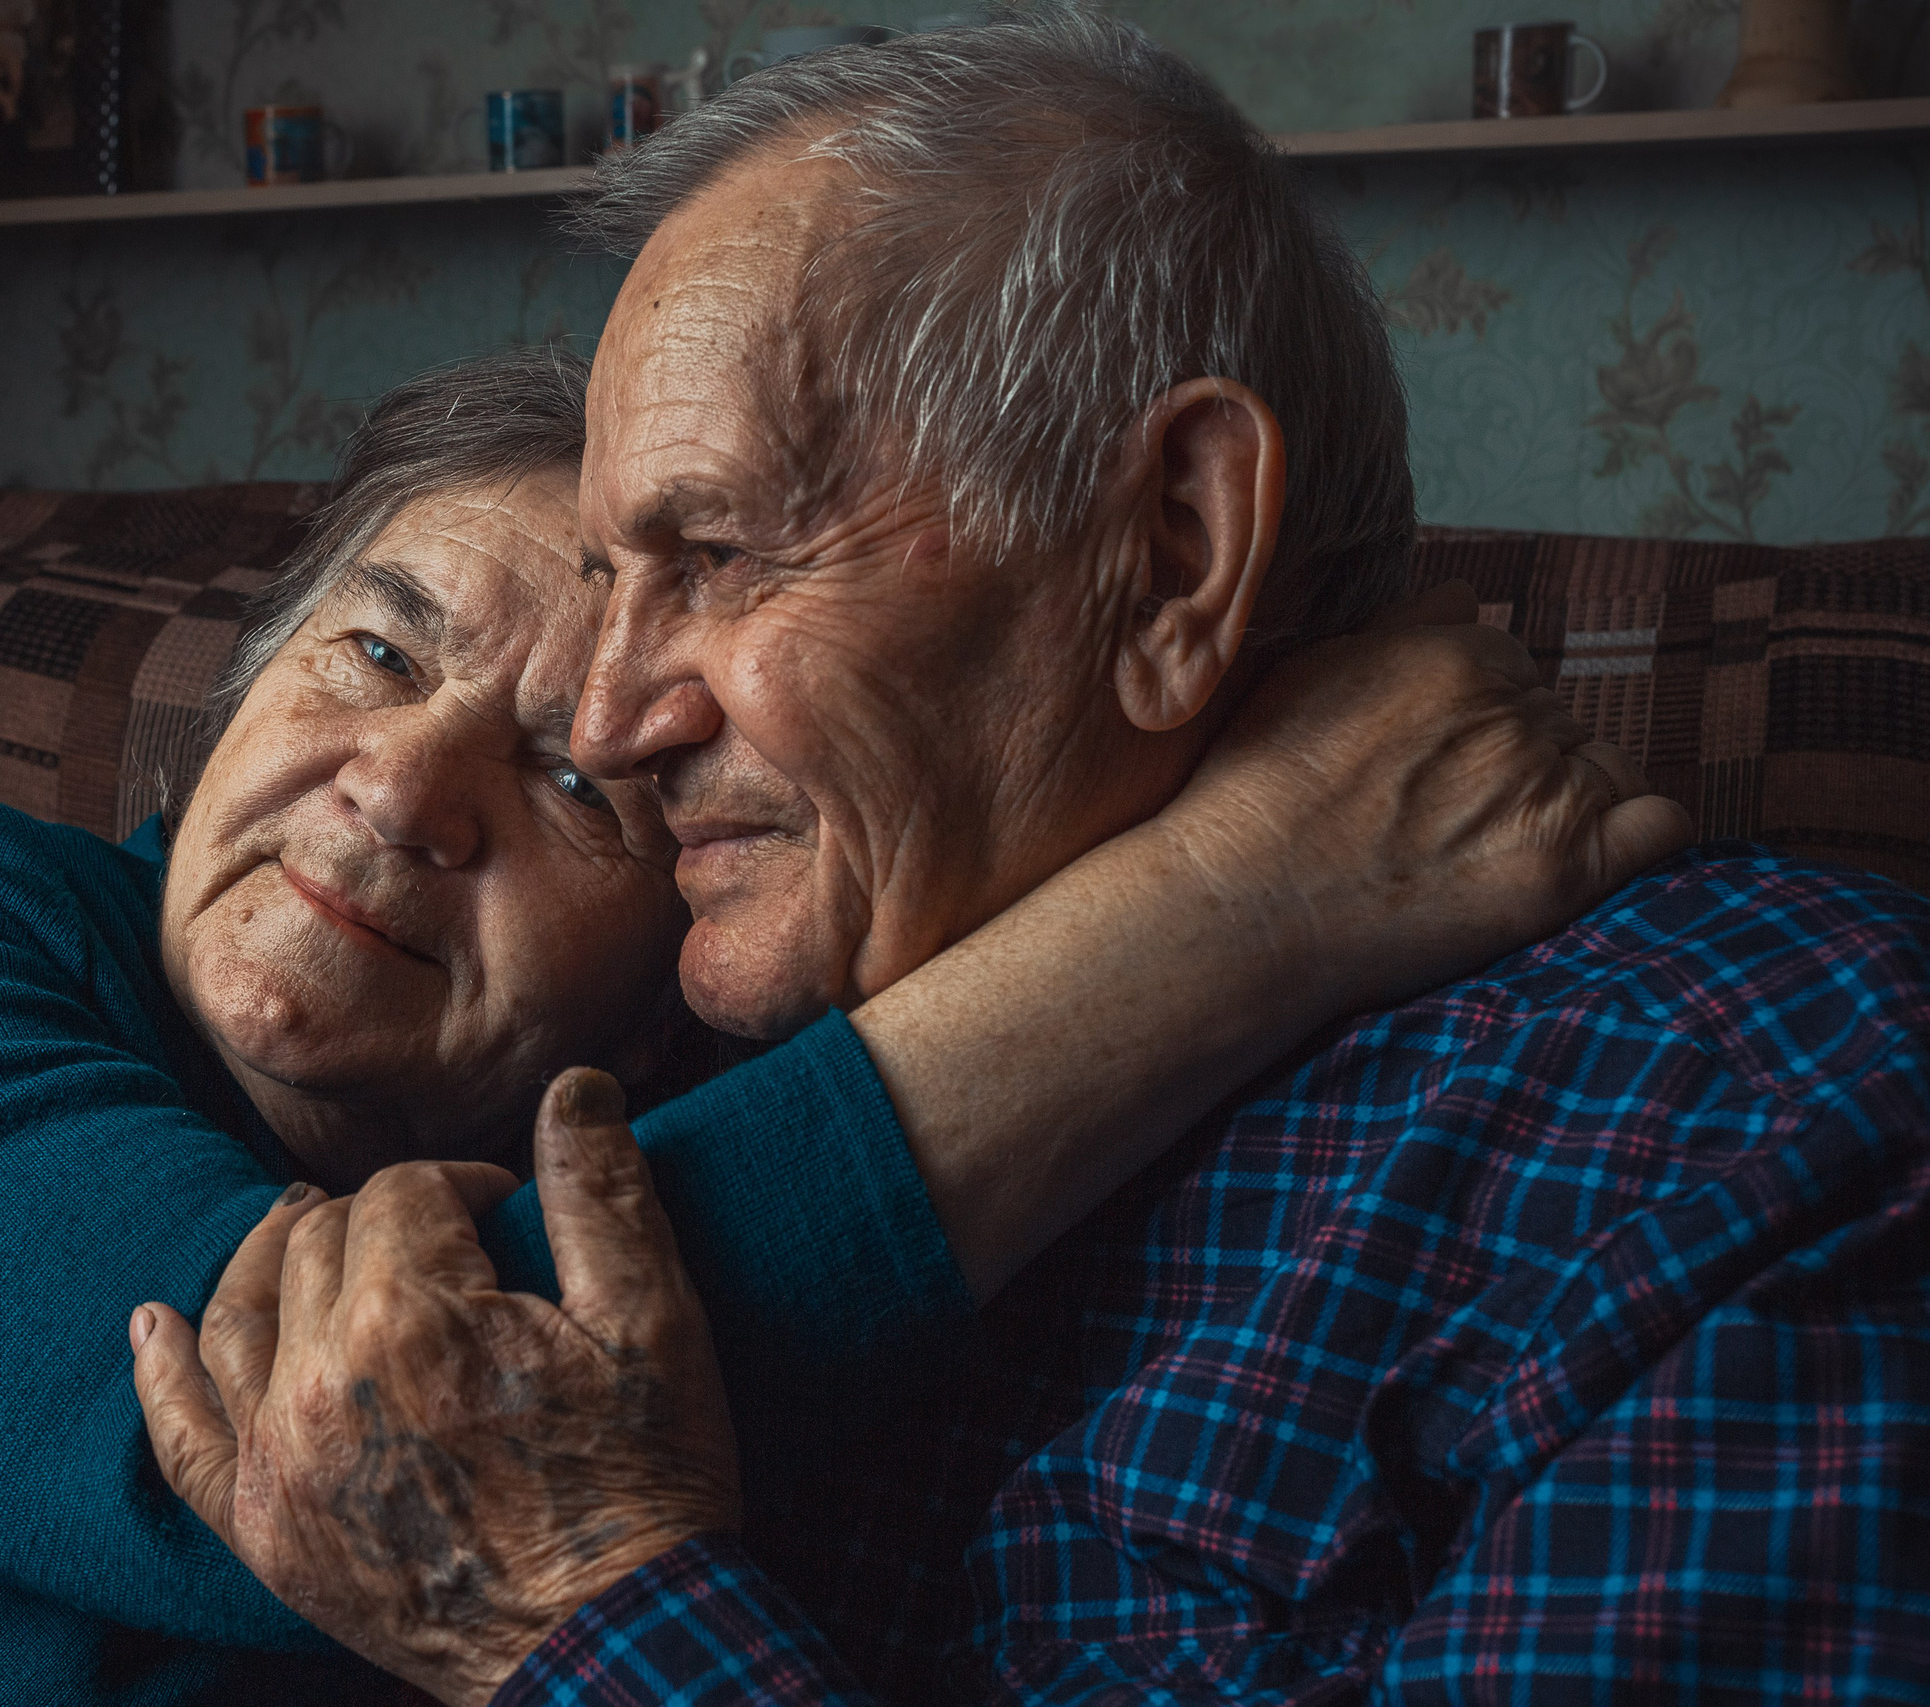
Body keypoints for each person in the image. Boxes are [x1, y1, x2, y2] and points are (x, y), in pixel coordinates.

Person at [130, 12, 1930, 1705]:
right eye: (619, 576)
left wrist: (584, 1609)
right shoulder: (685, 1040)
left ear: (1171, 549)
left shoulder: (1768, 1124)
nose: (604, 729)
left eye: (725, 553)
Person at [0, 347, 1649, 1705]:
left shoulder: (732, 1176)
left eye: (583, 773)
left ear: (696, 930)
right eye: (373, 652)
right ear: (241, 681)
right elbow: (384, 1422)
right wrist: (1252, 887)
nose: (406, 788)